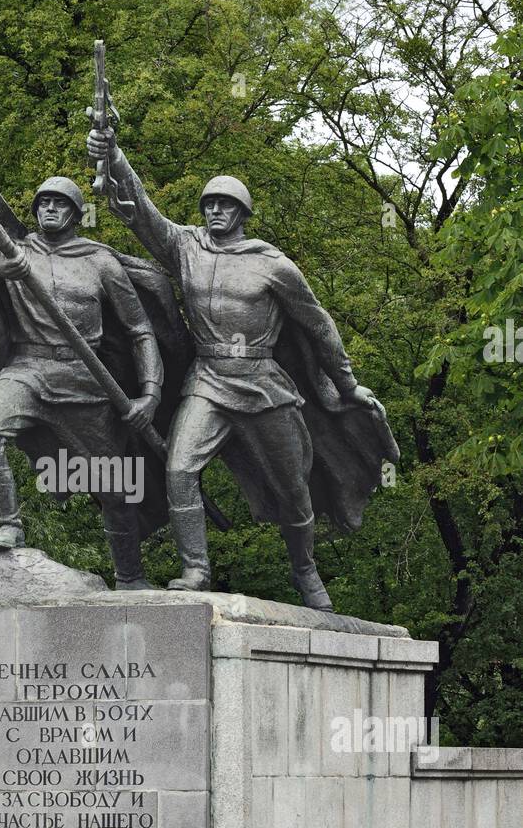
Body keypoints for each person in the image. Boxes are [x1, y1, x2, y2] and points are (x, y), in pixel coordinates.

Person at [86, 128, 393, 609]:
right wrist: (114, 154)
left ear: (243, 214)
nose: (214, 211)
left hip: (265, 385)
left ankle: (305, 570)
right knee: (180, 467)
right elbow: (141, 213)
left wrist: (347, 385)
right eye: (208, 204)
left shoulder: (273, 265)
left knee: (293, 489)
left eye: (225, 205)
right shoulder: (186, 247)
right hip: (208, 381)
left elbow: (319, 326)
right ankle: (196, 570)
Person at [0, 176, 164, 589]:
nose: (49, 209)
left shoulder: (100, 262)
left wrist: (149, 393)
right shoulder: (17, 252)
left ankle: (130, 578)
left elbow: (140, 331)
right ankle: (9, 525)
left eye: (59, 204)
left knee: (114, 488)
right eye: (42, 202)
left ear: (77, 214)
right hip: (27, 369)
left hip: (86, 380)